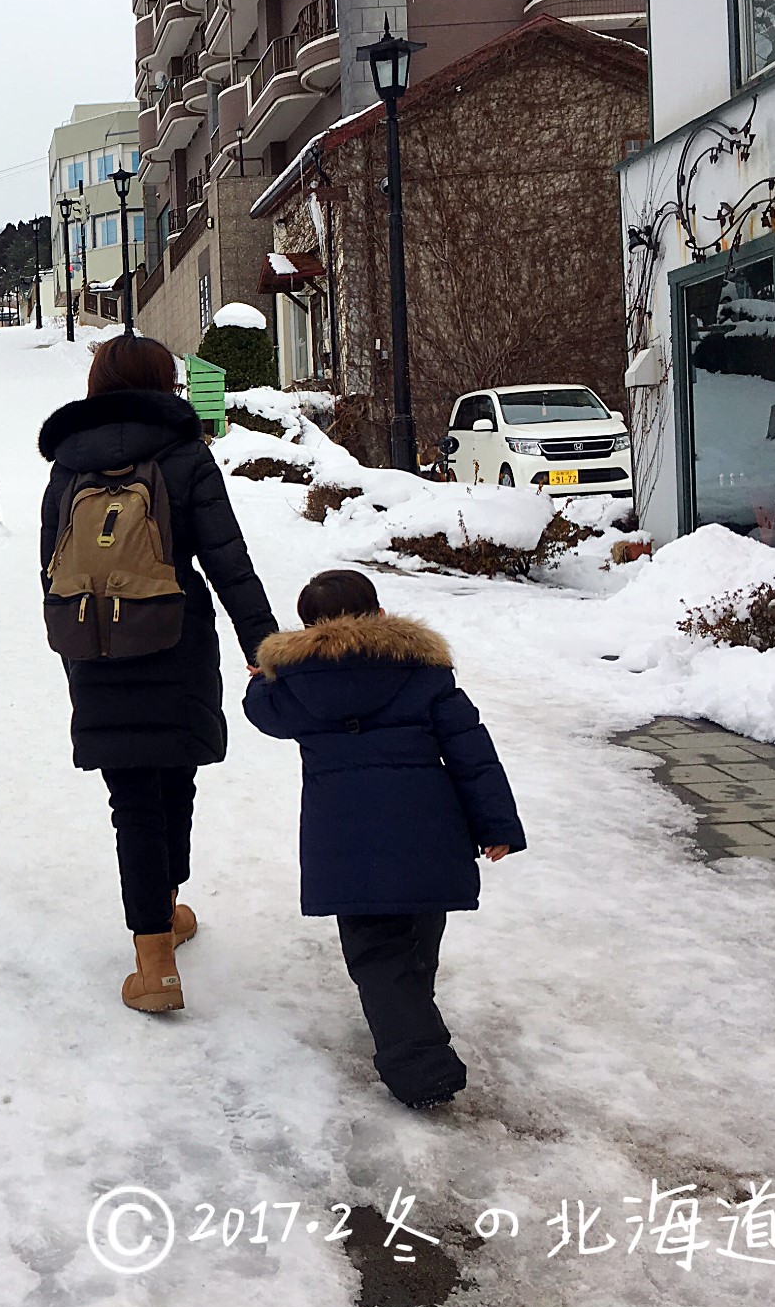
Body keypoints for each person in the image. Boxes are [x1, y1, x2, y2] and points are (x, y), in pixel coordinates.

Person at [37, 334, 278, 1014]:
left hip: (96, 643)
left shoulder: (68, 465)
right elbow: (229, 559)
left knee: (133, 798)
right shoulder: (183, 454)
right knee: (174, 776)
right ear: (164, 382)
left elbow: (50, 570)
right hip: (176, 639)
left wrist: (76, 649)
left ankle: (154, 957)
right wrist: (262, 645)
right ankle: (162, 919)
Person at [242, 568, 526, 1108]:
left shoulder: (295, 684)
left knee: (376, 952)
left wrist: (262, 675)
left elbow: (261, 711)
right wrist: (497, 825)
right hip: (429, 831)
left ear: (307, 625)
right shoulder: (423, 671)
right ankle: (412, 1022)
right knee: (418, 936)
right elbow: (472, 752)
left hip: (345, 844)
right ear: (377, 613)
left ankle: (418, 1062)